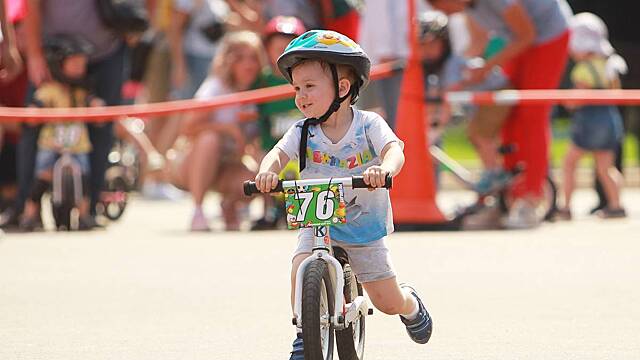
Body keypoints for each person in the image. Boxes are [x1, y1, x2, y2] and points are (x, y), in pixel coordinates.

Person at [253, 30, 432, 358]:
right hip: (317, 220)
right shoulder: (302, 131)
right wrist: (267, 172)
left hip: (362, 225)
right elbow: (278, 154)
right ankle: (303, 332)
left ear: (343, 87)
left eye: (309, 86)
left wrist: (385, 170)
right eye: (296, 88)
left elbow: (394, 150)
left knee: (385, 300)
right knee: (300, 264)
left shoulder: (368, 125)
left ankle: (409, 303)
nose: (300, 96)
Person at [429, 0, 572, 229]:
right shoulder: (467, 8)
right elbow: (478, 42)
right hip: (519, 39)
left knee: (531, 113)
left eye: (436, 3)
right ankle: (506, 199)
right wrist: (458, 76)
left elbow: (527, 34)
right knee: (506, 113)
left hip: (547, 37)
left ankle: (530, 198)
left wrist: (486, 68)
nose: (437, 9)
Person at [20, 0, 128, 225]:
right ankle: (27, 209)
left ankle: (89, 211)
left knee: (98, 142)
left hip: (106, 50)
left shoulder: (83, 91)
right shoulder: (51, 91)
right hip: (55, 53)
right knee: (39, 163)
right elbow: (30, 6)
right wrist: (35, 54)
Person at [168, 31, 262, 231]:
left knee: (259, 178)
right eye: (241, 58)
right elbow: (188, 127)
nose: (249, 64)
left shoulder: (258, 91)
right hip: (191, 163)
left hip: (229, 163)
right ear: (229, 61)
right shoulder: (215, 87)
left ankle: (230, 205)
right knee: (210, 139)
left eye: (253, 58)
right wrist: (227, 129)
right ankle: (198, 210)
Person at [417, 10, 512, 194]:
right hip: (485, 99)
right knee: (475, 135)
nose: (427, 51)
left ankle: (494, 172)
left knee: (479, 133)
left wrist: (434, 131)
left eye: (432, 45)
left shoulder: (451, 64)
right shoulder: (438, 70)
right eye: (422, 46)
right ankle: (492, 170)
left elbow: (447, 100)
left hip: (496, 94)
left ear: (444, 44)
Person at [20, 35, 101, 231]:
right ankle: (29, 213)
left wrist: (98, 109)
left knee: (83, 177)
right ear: (59, 64)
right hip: (51, 143)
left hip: (77, 144)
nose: (79, 68)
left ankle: (84, 214)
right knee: (42, 177)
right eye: (74, 63)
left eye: (81, 64)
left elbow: (95, 106)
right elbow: (36, 106)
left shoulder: (82, 92)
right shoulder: (50, 90)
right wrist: (33, 112)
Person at [557, 12, 627, 220]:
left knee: (569, 163)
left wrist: (567, 102)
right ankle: (616, 205)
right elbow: (617, 94)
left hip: (589, 121)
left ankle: (566, 206)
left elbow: (578, 98)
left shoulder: (582, 70)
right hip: (610, 118)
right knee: (606, 168)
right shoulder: (609, 65)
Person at [249, 15, 306, 230]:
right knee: (264, 165)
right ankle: (269, 210)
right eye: (278, 49)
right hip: (272, 144)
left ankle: (303, 210)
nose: (283, 55)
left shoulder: (306, 80)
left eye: (289, 49)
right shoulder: (262, 81)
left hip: (302, 148)